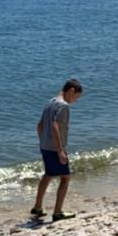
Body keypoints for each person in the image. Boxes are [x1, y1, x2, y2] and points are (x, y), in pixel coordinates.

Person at [31, 79, 83, 222]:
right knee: (65, 177)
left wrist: (43, 142)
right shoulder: (63, 106)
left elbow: (39, 126)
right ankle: (58, 212)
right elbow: (55, 126)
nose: (75, 101)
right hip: (55, 147)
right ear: (71, 90)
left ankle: (38, 207)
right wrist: (60, 150)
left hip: (45, 146)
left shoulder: (50, 102)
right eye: (76, 97)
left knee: (48, 175)